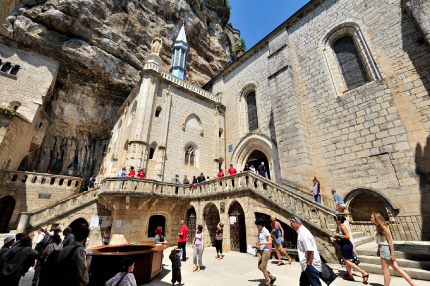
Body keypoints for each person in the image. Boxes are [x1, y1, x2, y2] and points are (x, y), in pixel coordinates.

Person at [371, 213, 415, 286]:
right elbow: (380, 241)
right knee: (396, 269)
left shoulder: (384, 228)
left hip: (385, 249)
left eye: (372, 217)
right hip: (382, 248)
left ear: (376, 218)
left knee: (385, 270)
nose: (371, 218)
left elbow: (390, 241)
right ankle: (413, 284)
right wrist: (378, 250)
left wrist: (393, 254)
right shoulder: (378, 227)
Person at [333, 216, 369, 282]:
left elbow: (348, 236)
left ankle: (364, 273)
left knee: (347, 261)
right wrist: (336, 239)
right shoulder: (341, 227)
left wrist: (338, 235)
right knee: (347, 261)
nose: (336, 221)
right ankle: (350, 276)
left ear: (339, 221)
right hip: (345, 245)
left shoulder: (343, 227)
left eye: (336, 220)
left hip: (346, 246)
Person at [290, 215, 322, 286]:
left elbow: (310, 250)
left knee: (315, 284)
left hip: (310, 265)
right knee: (303, 283)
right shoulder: (301, 232)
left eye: (291, 223)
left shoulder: (303, 233)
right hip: (307, 266)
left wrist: (308, 264)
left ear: (296, 222)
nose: (291, 226)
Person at [252, 218, 276, 286]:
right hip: (261, 250)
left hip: (266, 250)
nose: (257, 226)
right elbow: (261, 241)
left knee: (263, 267)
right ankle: (272, 277)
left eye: (257, 224)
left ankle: (268, 283)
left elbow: (270, 242)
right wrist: (256, 244)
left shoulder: (266, 231)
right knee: (259, 266)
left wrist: (261, 244)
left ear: (260, 225)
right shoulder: (261, 231)